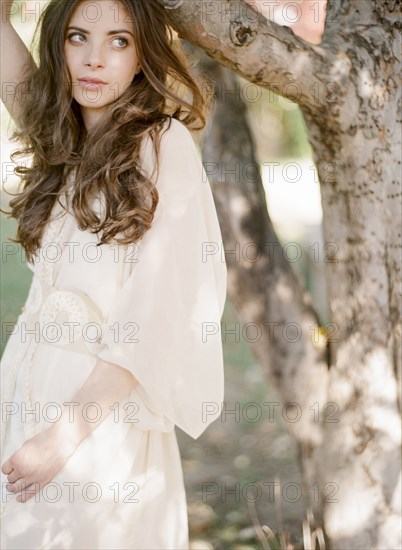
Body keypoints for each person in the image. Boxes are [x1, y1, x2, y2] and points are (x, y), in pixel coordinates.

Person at [0, 0, 227, 548]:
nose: (95, 59)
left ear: (143, 53)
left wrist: (64, 437)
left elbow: (155, 314)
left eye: (119, 42)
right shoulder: (64, 133)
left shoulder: (160, 143)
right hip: (23, 390)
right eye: (78, 37)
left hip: (98, 424)